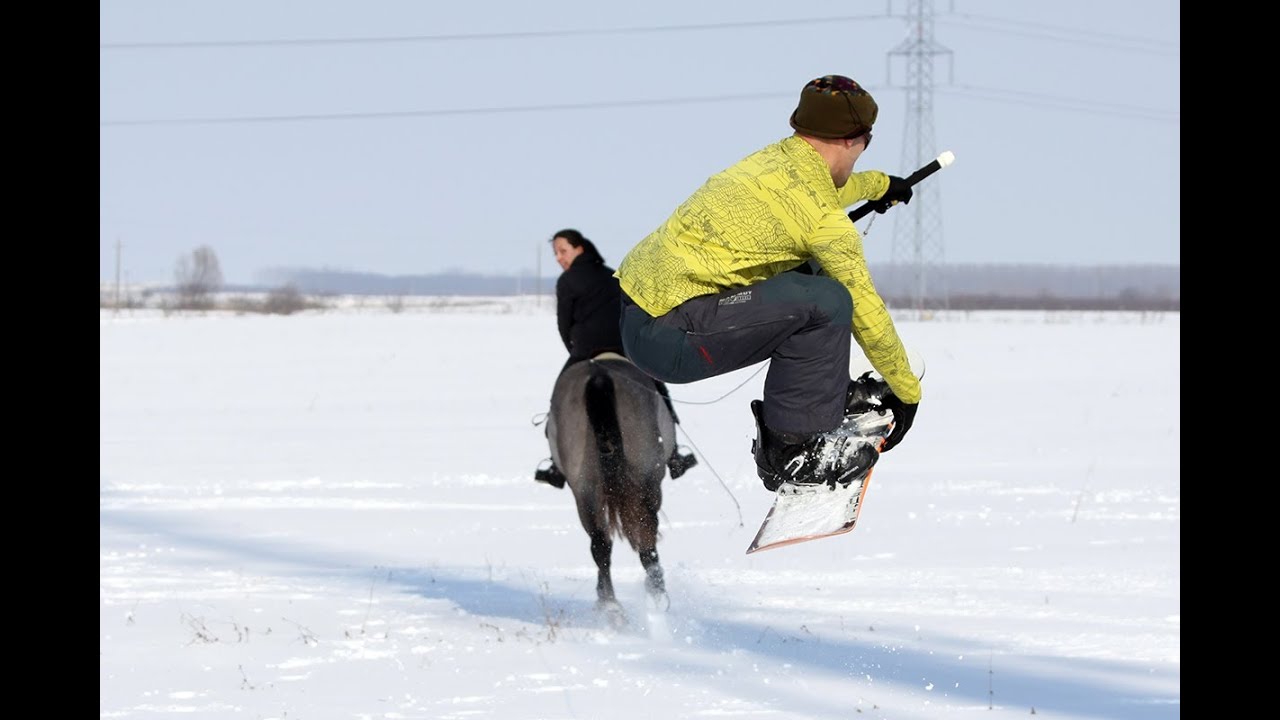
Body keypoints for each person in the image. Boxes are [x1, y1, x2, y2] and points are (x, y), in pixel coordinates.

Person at [614, 74, 921, 491]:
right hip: (670, 335)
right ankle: (791, 452)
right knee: (828, 299)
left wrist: (883, 186)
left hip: (643, 311)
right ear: (855, 140)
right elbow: (864, 307)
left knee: (807, 275)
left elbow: (827, 191)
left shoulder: (772, 163)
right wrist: (906, 393)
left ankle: (820, 400)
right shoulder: (822, 220)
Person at [534, 229, 698, 488]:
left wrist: (576, 353)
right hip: (625, 350)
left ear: (580, 249)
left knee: (558, 400)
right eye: (555, 252)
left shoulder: (567, 281)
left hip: (585, 351)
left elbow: (563, 326)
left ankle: (556, 467)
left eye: (562, 251)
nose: (558, 257)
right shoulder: (614, 276)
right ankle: (675, 454)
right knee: (658, 391)